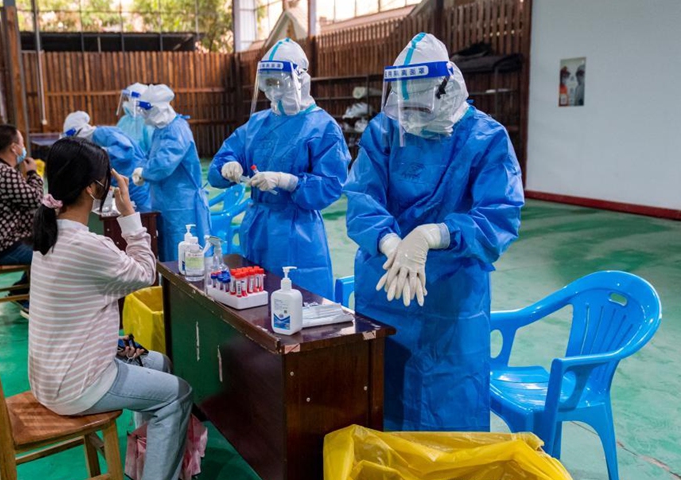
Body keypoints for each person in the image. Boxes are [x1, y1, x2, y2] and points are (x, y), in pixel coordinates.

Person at [344, 33, 524, 432]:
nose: (410, 119)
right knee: (383, 396)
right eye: (403, 107)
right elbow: (361, 198)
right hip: (385, 286)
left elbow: (500, 216)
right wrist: (391, 241)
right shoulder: (385, 131)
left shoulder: (486, 139)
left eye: (420, 107)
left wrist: (431, 235)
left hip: (451, 300)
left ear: (446, 90)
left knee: (447, 404)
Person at [29, 137, 192, 480]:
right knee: (178, 394)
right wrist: (129, 215)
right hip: (76, 384)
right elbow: (146, 273)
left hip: (50, 372)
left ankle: (145, 464)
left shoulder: (48, 234)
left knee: (159, 362)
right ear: (92, 188)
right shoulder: (86, 245)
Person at [208, 39, 350, 299]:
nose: (272, 89)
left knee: (299, 306)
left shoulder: (322, 127)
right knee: (254, 301)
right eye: (268, 82)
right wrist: (228, 165)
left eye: (278, 81)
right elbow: (223, 159)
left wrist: (288, 181)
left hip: (298, 232)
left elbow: (330, 185)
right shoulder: (257, 124)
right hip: (256, 227)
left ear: (299, 80)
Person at [132, 84, 211, 261]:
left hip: (182, 204)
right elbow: (152, 155)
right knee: (168, 252)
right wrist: (143, 168)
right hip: (165, 201)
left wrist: (145, 172)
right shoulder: (160, 131)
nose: (144, 115)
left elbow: (165, 163)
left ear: (159, 108)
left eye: (147, 110)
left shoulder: (177, 130)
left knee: (183, 252)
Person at [0, 124, 43, 293]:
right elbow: (36, 200)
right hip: (4, 246)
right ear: (14, 148)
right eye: (21, 143)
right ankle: (29, 295)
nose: (24, 148)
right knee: (50, 254)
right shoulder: (4, 173)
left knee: (43, 240)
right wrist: (33, 174)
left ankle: (22, 289)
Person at [62, 111, 151, 212]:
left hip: (135, 184)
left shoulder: (102, 133)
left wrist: (101, 152)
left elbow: (127, 150)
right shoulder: (94, 140)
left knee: (143, 217)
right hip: (124, 184)